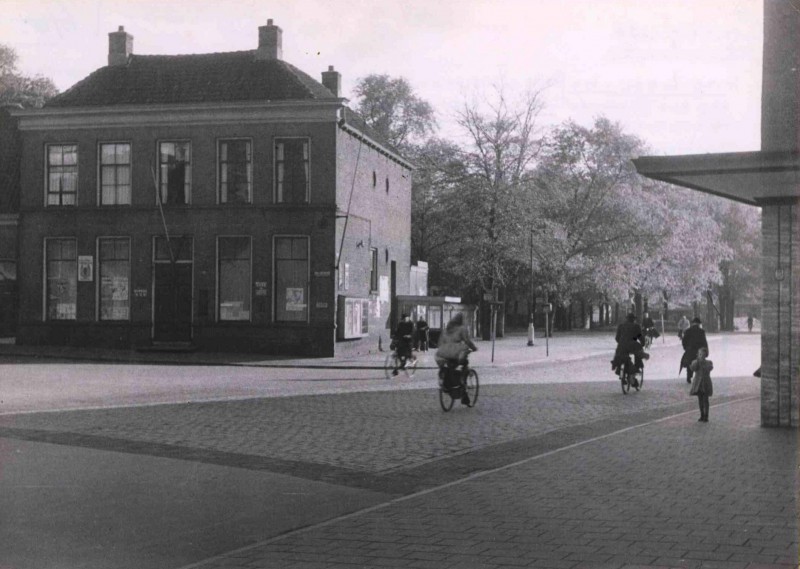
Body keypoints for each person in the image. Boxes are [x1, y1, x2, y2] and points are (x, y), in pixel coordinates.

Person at [435, 313, 478, 405]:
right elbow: (467, 340)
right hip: (455, 353)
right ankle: (463, 390)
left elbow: (439, 342)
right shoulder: (461, 329)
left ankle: (447, 383)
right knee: (464, 363)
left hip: (443, 353)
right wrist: (474, 348)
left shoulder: (446, 329)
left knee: (451, 367)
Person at [680, 317, 709, 384]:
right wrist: (706, 350)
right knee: (699, 364)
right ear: (699, 324)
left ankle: (689, 376)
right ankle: (698, 378)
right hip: (699, 351)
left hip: (690, 350)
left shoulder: (688, 331)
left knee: (689, 363)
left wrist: (686, 348)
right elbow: (704, 342)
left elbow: (684, 341)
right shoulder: (701, 331)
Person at [689, 347, 713, 422]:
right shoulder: (696, 362)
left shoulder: (709, 363)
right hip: (698, 384)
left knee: (705, 400)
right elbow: (693, 368)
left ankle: (706, 416)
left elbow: (709, 368)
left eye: (702, 354)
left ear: (705, 355)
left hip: (705, 383)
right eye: (699, 354)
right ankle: (702, 414)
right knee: (700, 400)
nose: (701, 355)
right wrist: (697, 361)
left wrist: (702, 363)